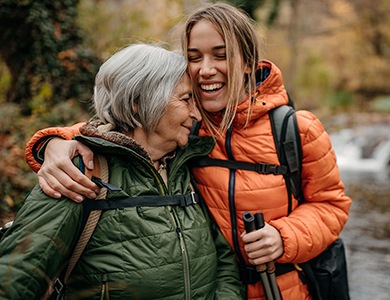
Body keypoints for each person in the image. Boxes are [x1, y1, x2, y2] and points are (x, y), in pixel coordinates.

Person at [23, 3, 352, 300]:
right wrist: (56, 141)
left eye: (220, 55)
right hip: (210, 288)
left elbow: (331, 206)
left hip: (283, 289)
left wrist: (285, 236)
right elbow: (121, 125)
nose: (205, 69)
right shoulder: (183, 126)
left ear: (250, 62)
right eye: (194, 57)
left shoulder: (297, 129)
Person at [0, 43, 243, 299]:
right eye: (185, 100)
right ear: (139, 103)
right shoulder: (80, 173)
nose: (196, 114)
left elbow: (224, 265)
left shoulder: (186, 169)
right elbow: (15, 279)